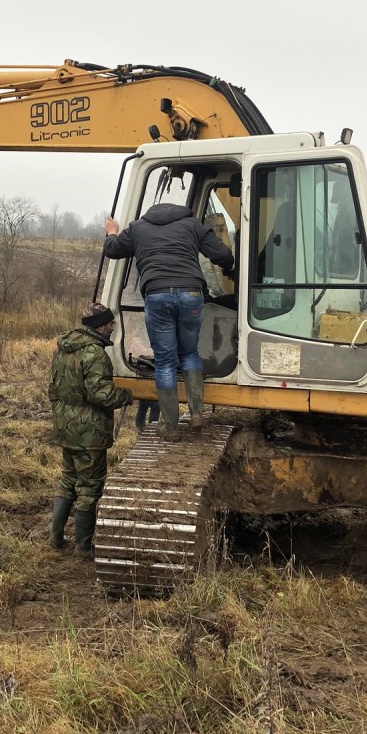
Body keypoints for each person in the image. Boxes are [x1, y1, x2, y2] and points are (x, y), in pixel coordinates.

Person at [103, 201, 235, 434]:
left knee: (164, 360)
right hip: (191, 295)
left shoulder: (137, 228)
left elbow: (112, 250)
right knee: (190, 353)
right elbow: (223, 255)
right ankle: (196, 413)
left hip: (157, 295)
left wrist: (112, 233)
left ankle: (171, 426)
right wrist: (228, 267)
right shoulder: (192, 224)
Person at [47, 301, 132, 558]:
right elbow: (101, 394)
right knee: (90, 487)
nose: (113, 328)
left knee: (67, 480)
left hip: (65, 425)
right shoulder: (95, 353)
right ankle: (83, 547)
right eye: (111, 324)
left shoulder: (63, 349)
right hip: (89, 431)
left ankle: (56, 536)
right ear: (102, 326)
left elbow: (53, 388)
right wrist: (126, 395)